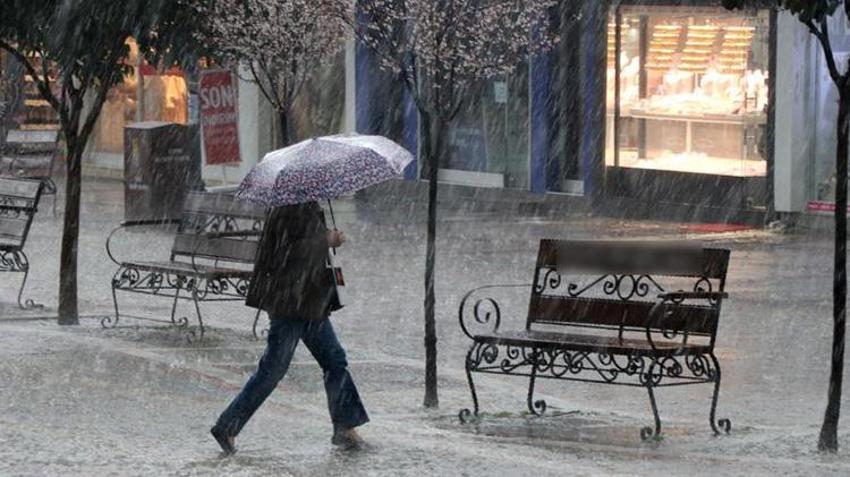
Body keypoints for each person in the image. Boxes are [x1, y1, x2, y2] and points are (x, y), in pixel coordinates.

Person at [211, 201, 368, 454]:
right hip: (290, 302)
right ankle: (227, 426)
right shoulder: (289, 206)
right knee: (273, 370)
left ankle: (345, 428)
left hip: (308, 301)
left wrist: (326, 238)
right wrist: (325, 240)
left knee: (334, 360)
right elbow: (286, 251)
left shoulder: (304, 203)